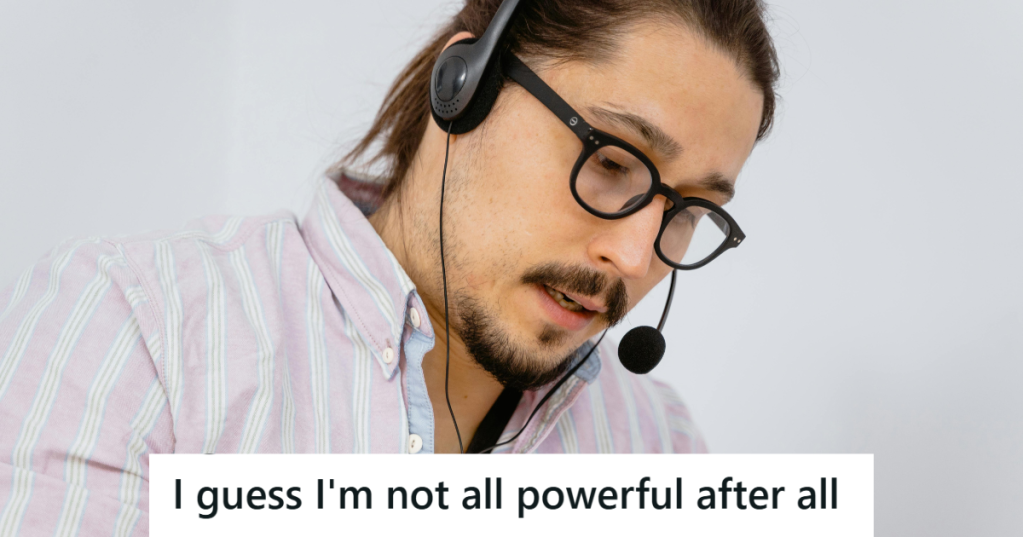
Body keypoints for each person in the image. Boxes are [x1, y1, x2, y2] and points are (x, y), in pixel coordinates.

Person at [0, 0, 778, 533]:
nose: (633, 256)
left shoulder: (658, 444)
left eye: (689, 210)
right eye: (610, 162)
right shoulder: (139, 329)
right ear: (463, 88)